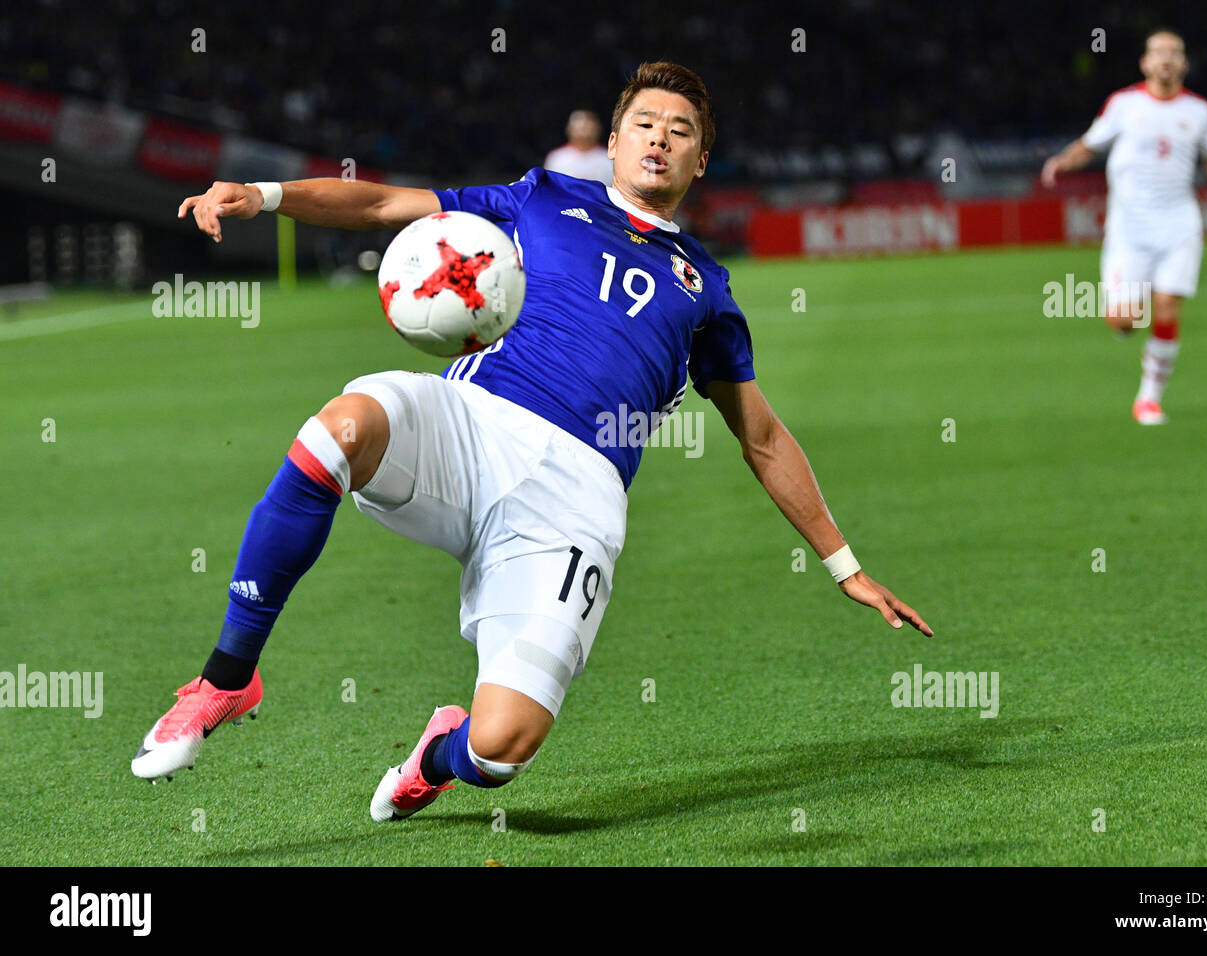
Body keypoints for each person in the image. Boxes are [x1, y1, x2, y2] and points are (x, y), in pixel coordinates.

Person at [134, 62, 932, 820]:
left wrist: (845, 567)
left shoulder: (709, 291)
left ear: (701, 158)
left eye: (680, 129)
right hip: (473, 429)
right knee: (339, 429)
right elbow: (385, 207)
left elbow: (760, 436)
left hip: (574, 506)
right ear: (611, 143)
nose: (659, 137)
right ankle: (227, 680)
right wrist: (264, 194)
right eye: (644, 122)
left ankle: (434, 761)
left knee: (502, 748)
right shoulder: (542, 196)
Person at [1041, 30, 1207, 425]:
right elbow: (1091, 143)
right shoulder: (1124, 104)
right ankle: (1125, 315)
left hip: (1179, 223)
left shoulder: (1200, 111)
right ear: (1145, 63)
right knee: (1126, 319)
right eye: (1158, 53)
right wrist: (1062, 161)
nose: (1166, 59)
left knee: (1167, 306)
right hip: (1130, 228)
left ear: (1184, 64)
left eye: (1174, 53)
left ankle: (1148, 399)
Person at [544, 109, 615, 185]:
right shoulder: (556, 158)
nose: (583, 130)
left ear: (598, 129)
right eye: (579, 127)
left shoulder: (609, 158)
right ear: (569, 129)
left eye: (587, 127)